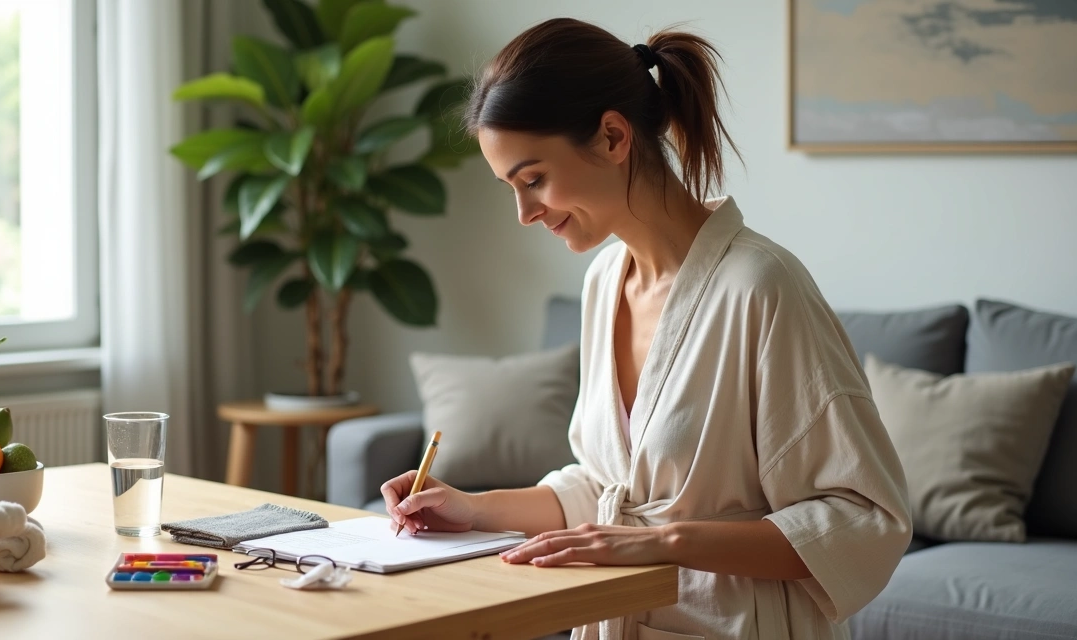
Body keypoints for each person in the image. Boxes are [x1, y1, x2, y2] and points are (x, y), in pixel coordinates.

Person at [380, 17, 911, 640]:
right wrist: (472, 507)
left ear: (611, 136)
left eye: (533, 180)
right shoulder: (605, 281)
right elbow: (608, 489)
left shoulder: (762, 288)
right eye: (511, 189)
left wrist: (668, 541)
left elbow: (862, 519)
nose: (524, 213)